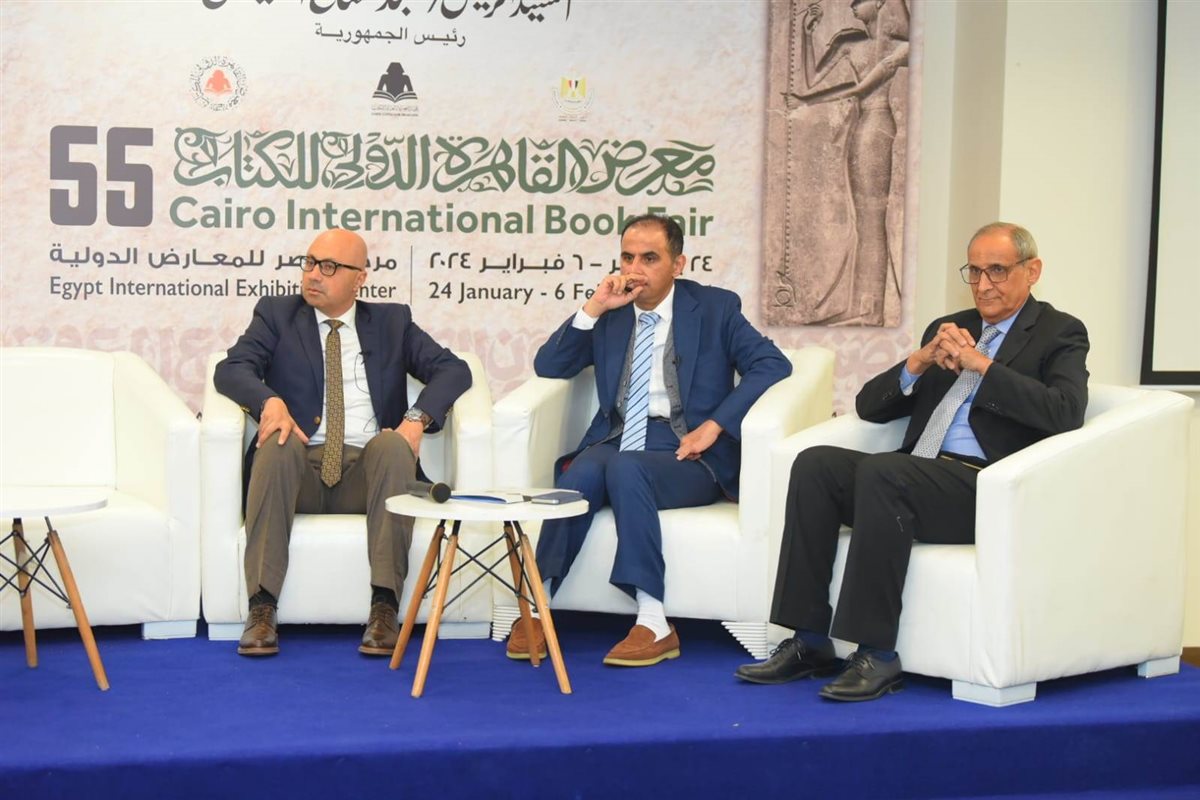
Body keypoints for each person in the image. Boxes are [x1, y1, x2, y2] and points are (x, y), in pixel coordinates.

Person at [737, 222, 1089, 700]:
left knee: (886, 472)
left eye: (998, 271)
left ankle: (877, 653)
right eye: (974, 271)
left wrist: (983, 367)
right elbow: (869, 407)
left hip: (984, 485)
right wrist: (918, 362)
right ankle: (809, 639)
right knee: (816, 464)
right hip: (914, 476)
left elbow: (1065, 412)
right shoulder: (951, 326)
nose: (984, 284)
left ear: (1033, 271)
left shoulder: (1059, 332)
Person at [509, 214, 793, 667]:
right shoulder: (612, 311)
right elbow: (550, 366)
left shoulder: (715, 308)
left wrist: (716, 425)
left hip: (688, 450)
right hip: (619, 437)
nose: (634, 269)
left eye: (649, 258)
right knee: (580, 472)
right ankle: (538, 605)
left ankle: (654, 620)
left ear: (678, 264)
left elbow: (772, 364)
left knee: (626, 466)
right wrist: (594, 307)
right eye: (627, 257)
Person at [214, 228, 471, 657]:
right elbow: (231, 369)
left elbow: (454, 370)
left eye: (329, 267)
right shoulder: (277, 315)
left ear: (359, 279)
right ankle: (261, 608)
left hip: (367, 476)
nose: (314, 274)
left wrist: (415, 421)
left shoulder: (391, 323)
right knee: (277, 442)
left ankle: (384, 609)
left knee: (392, 446)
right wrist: (269, 402)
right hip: (296, 471)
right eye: (310, 263)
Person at [786, 0, 910, 325]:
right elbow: (811, 79)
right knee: (862, 222)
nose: (853, 5)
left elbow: (859, 89)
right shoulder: (848, 42)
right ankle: (861, 307)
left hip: (878, 126)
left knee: (872, 219)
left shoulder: (899, 47)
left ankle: (871, 310)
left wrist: (807, 102)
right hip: (863, 126)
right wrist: (807, 35)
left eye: (861, 0)